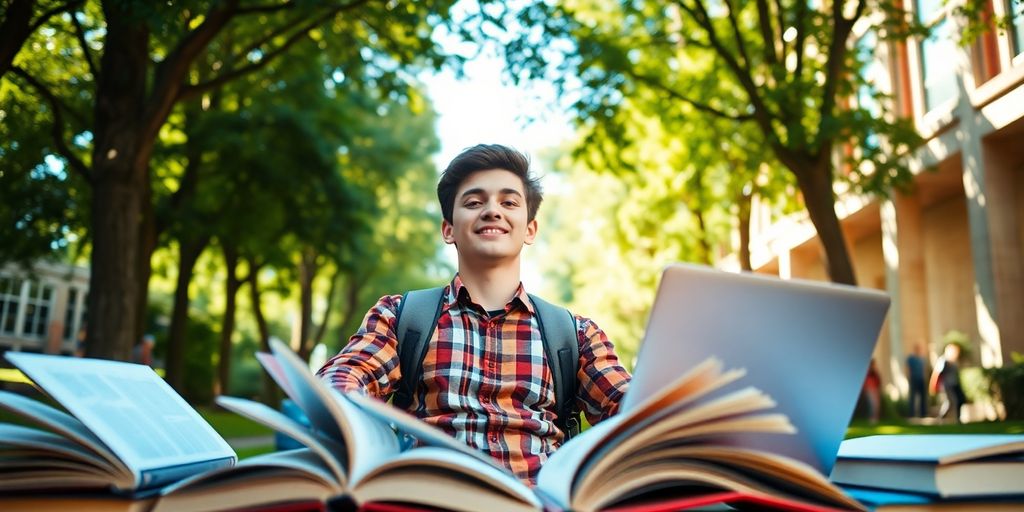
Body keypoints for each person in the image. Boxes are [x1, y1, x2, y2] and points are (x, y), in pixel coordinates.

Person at [317, 144, 632, 485]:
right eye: (473, 202)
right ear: (448, 229)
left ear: (530, 229)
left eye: (509, 202)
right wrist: (345, 404)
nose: (492, 210)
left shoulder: (575, 334)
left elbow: (629, 406)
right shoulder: (399, 317)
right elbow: (346, 375)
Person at [929, 342, 966, 423]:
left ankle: (958, 419)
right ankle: (941, 417)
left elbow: (956, 374)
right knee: (951, 401)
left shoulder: (954, 361)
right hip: (947, 384)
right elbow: (937, 373)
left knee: (960, 399)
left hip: (955, 384)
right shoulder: (943, 360)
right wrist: (934, 385)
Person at [905, 342, 928, 418]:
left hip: (921, 380)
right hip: (913, 379)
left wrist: (925, 377)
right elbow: (908, 368)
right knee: (912, 397)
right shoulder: (911, 358)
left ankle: (923, 414)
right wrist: (909, 377)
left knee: (923, 397)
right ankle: (911, 414)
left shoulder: (922, 358)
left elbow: (924, 369)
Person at [861, 358, 881, 424]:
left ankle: (875, 418)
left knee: (876, 405)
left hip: (875, 389)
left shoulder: (875, 372)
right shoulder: (868, 373)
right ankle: (871, 418)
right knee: (871, 404)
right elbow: (865, 382)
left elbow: (878, 381)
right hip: (869, 390)